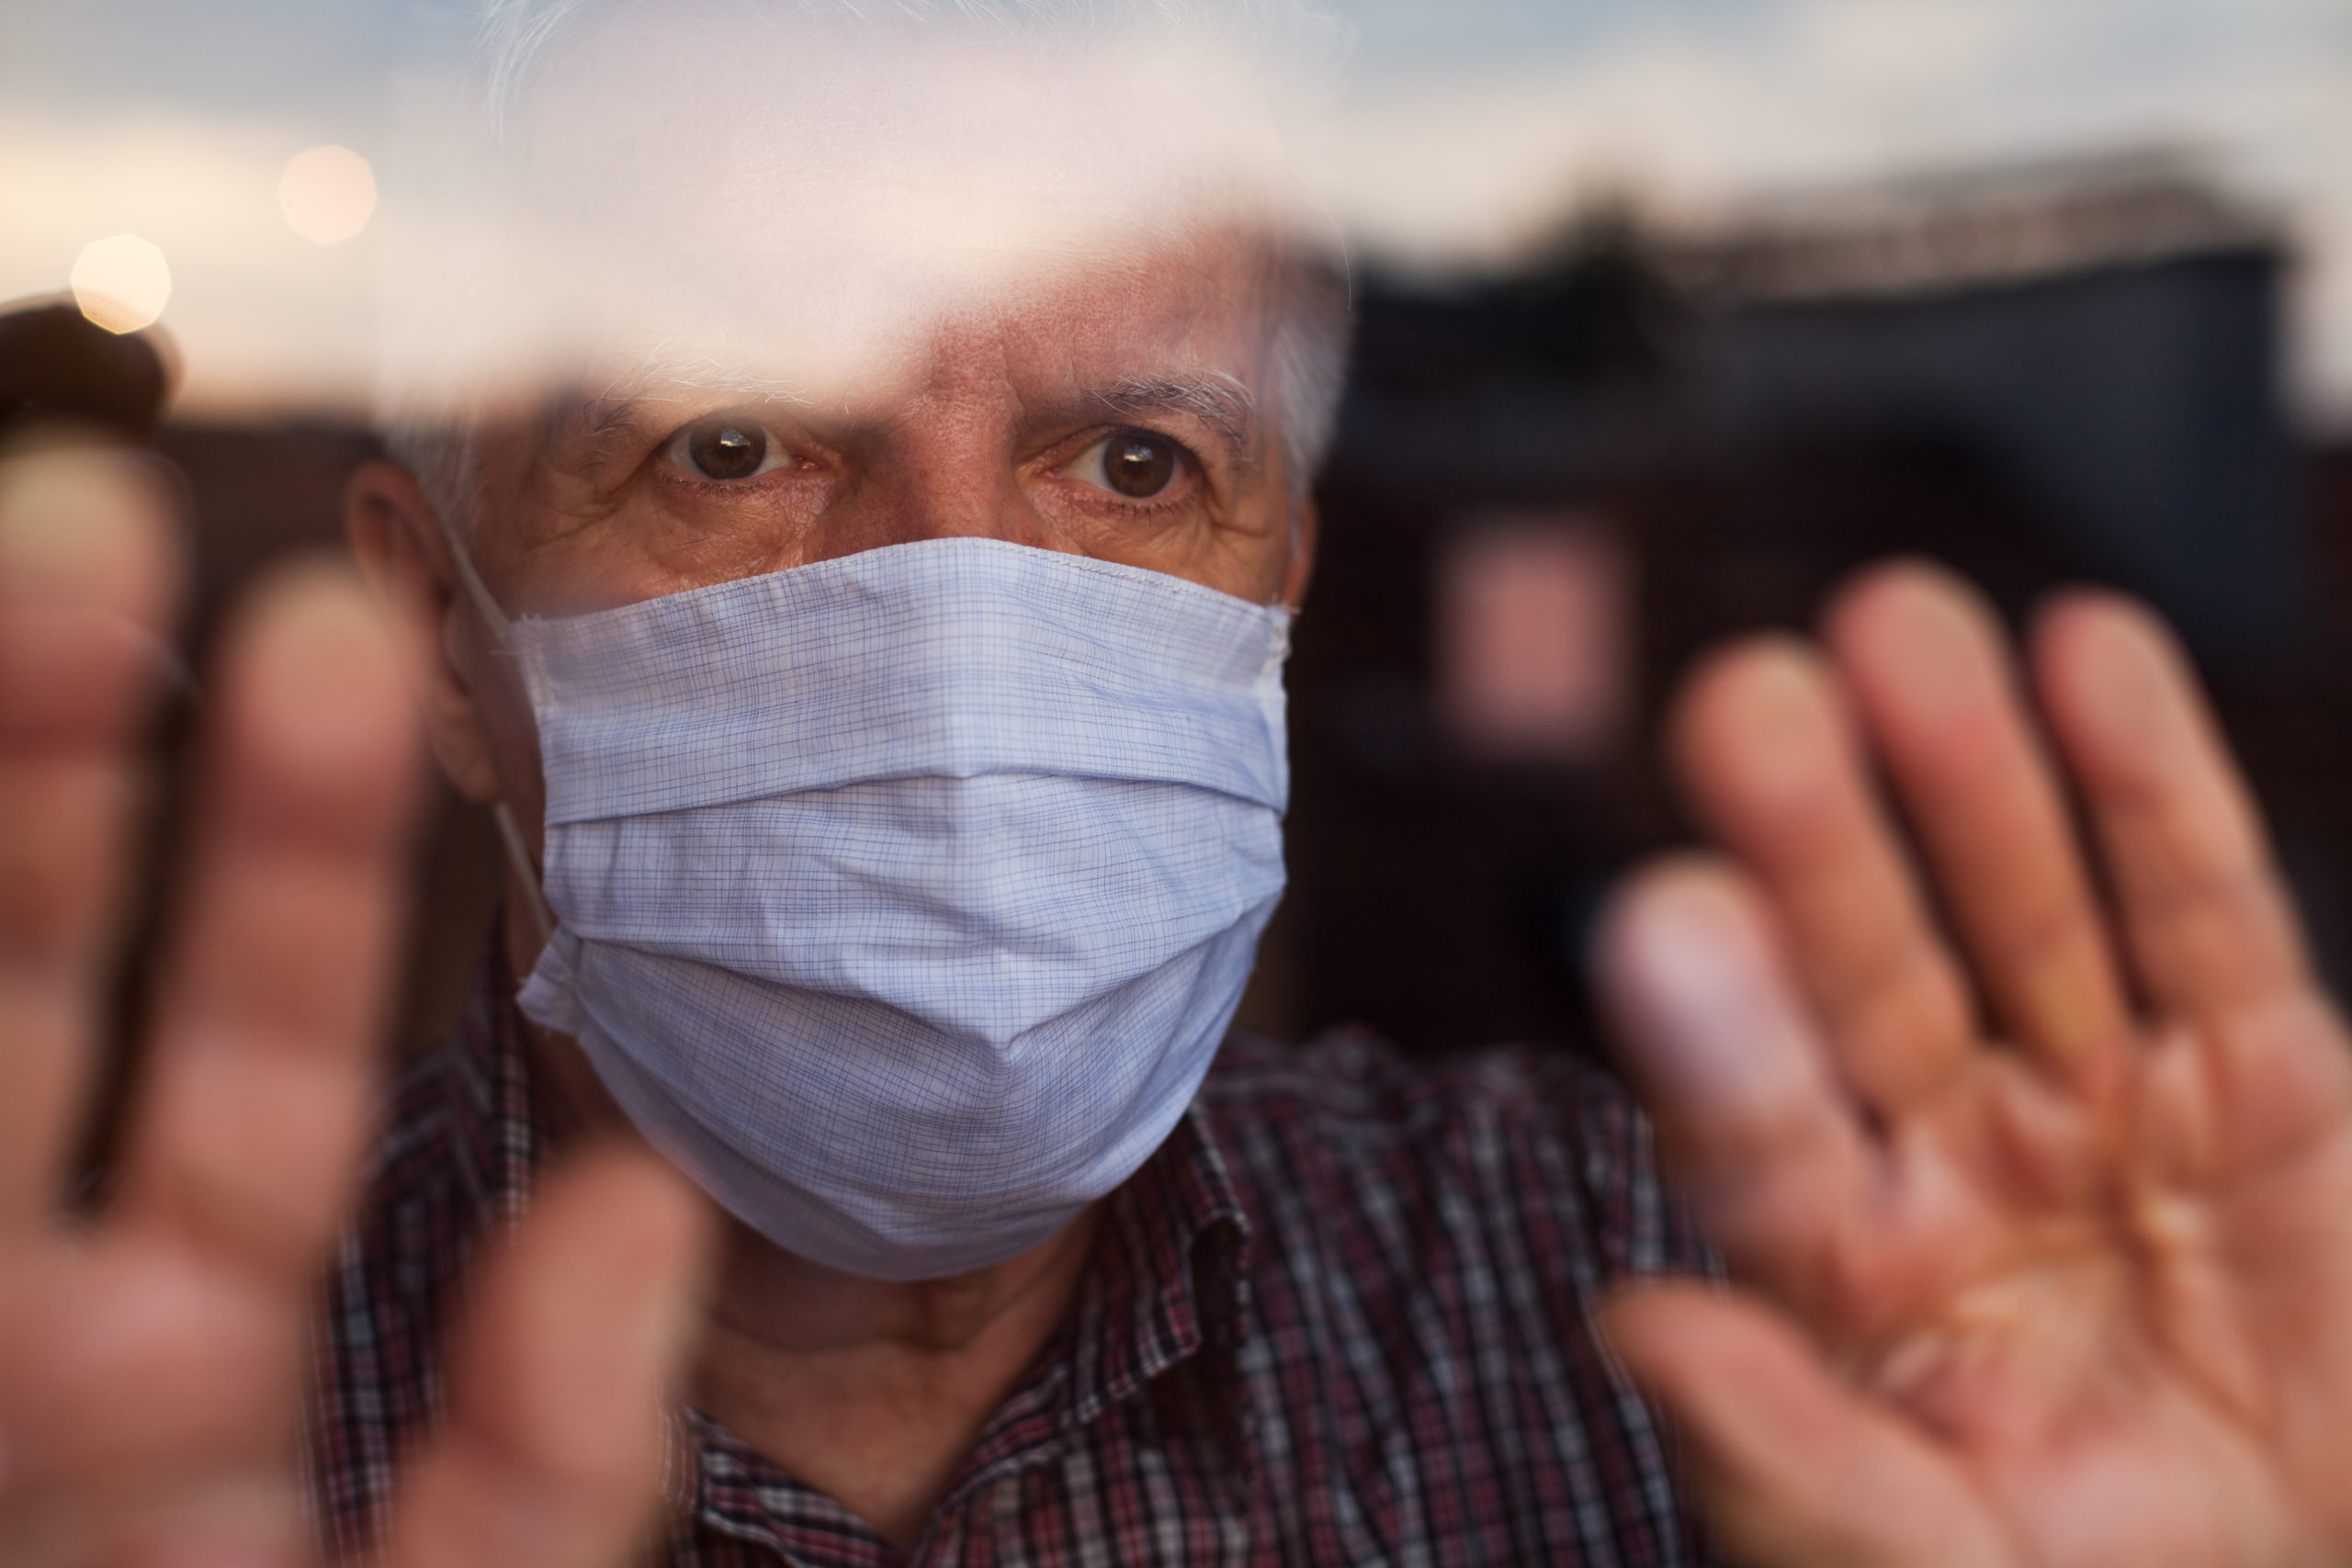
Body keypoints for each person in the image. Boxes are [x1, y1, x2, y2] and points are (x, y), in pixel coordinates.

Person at [7, 4, 2352, 1566]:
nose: (951, 617)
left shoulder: (1710, 1313)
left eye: (1131, 460)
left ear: (1278, 596)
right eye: (731, 444)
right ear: (445, 631)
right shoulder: (104, 1419)